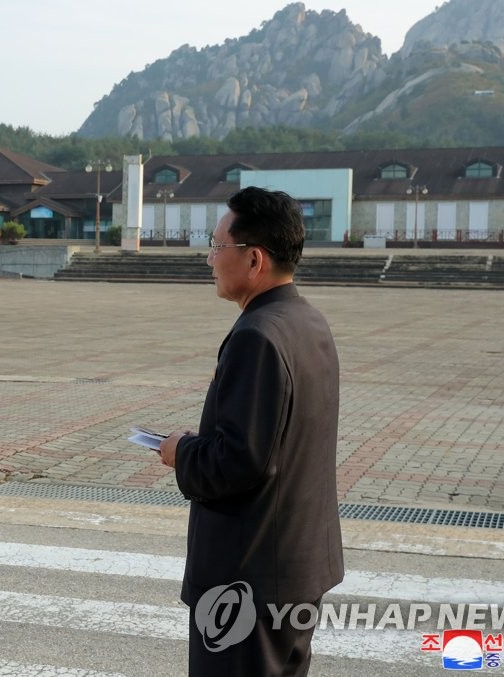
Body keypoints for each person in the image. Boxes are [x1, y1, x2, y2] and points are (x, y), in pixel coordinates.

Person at [158, 186, 344, 676]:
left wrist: (181, 452)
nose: (209, 260)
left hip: (248, 579)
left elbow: (239, 462)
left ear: (254, 259)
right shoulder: (307, 321)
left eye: (218, 247)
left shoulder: (257, 337)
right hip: (295, 565)